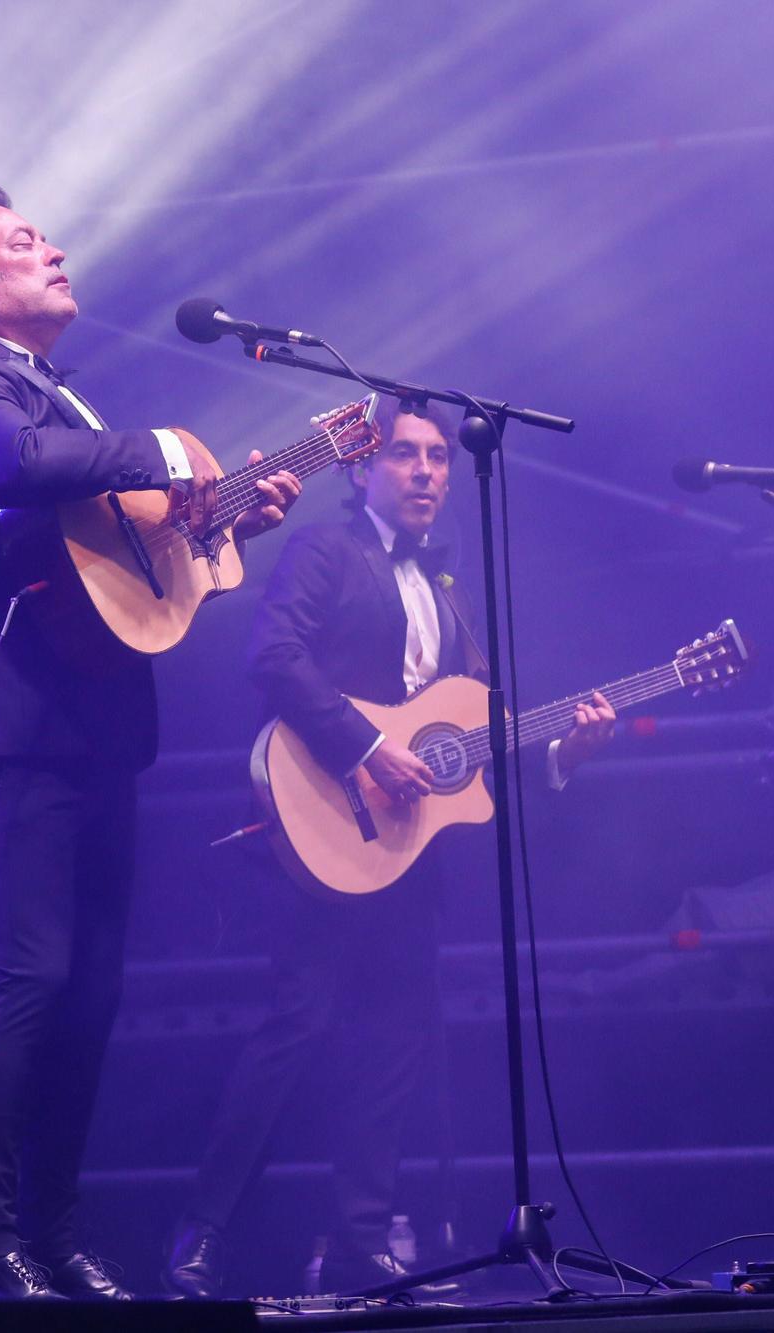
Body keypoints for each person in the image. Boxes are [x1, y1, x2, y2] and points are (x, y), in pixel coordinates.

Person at [0, 171, 301, 1301]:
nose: (55, 250)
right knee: (29, 979)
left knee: (89, 992)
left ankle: (53, 1229)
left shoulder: (51, 393)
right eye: (25, 241)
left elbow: (105, 565)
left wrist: (214, 523)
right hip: (11, 725)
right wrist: (165, 453)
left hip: (89, 726)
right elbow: (7, 468)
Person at [162, 401, 616, 1298]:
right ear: (365, 469)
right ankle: (202, 1233)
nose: (425, 472)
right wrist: (368, 748)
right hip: (324, 827)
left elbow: (476, 728)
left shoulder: (447, 593)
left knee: (394, 1047)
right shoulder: (328, 551)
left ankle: (362, 1242)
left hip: (407, 858)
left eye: (438, 458)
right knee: (293, 1032)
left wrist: (561, 749)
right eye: (405, 454)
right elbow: (274, 655)